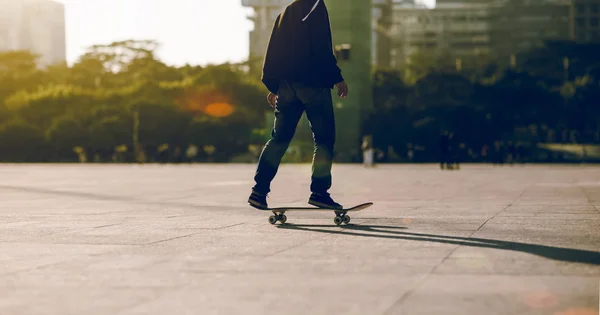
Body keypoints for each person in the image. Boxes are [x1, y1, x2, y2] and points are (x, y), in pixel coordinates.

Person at [248, 0, 348, 210]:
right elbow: (322, 46)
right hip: (313, 86)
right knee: (324, 139)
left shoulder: (286, 12)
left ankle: (259, 191)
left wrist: (274, 86)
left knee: (279, 139)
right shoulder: (316, 6)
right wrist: (337, 76)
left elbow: (273, 50)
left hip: (287, 87)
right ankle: (319, 192)